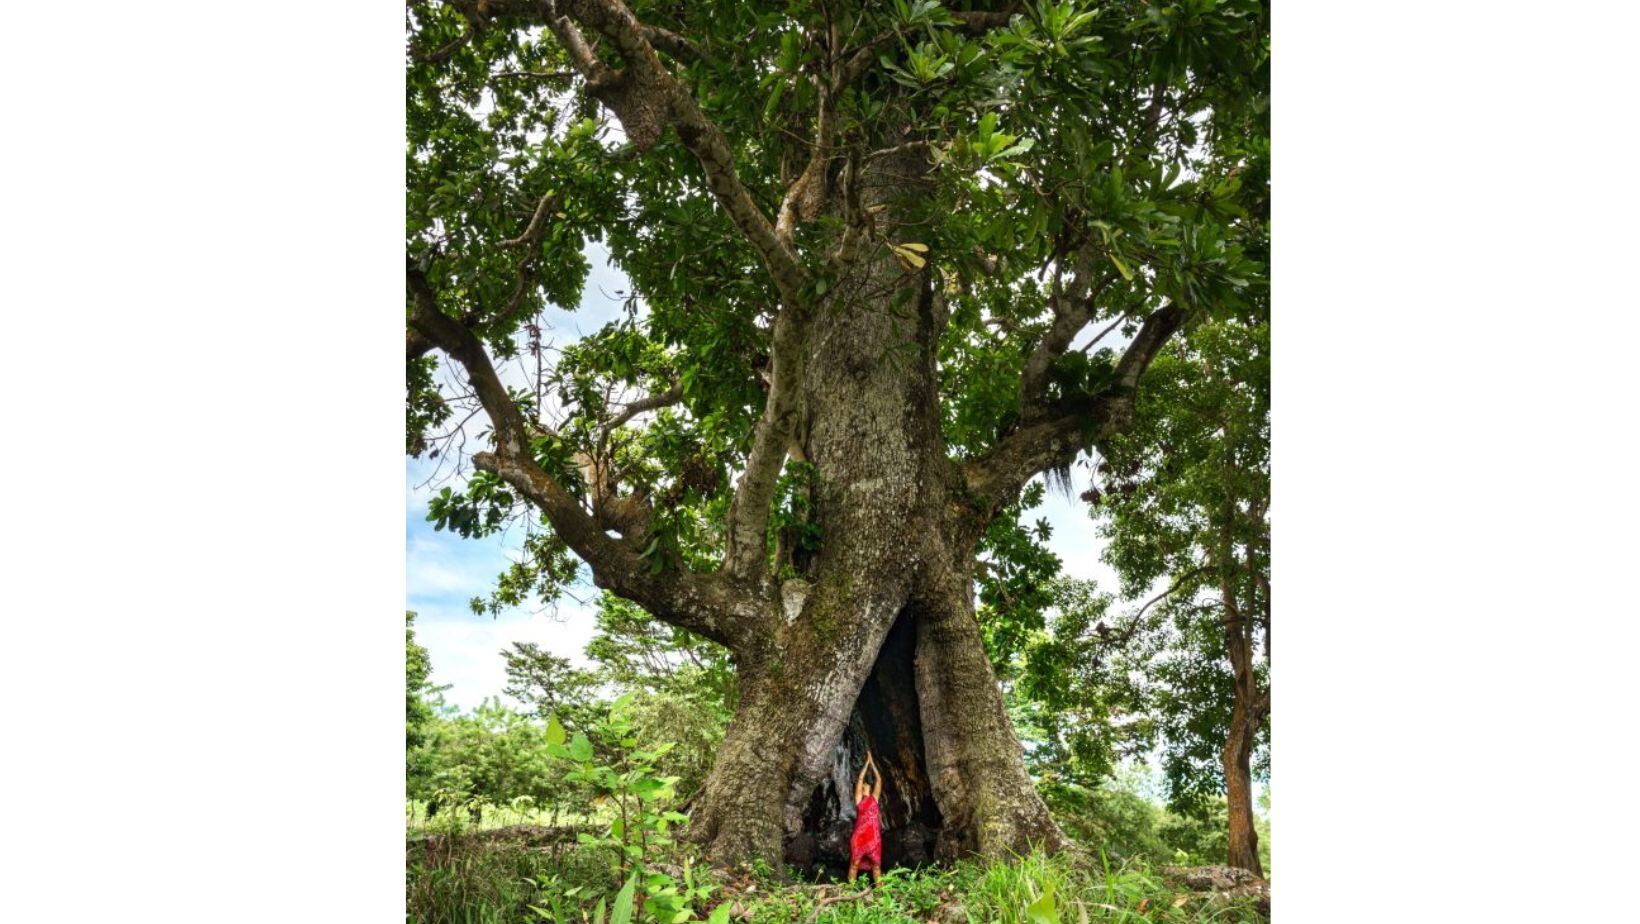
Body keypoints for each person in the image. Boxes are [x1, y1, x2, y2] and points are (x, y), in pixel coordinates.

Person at [848, 750, 884, 885]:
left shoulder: (874, 798)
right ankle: (850, 890)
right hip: (860, 836)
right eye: (863, 785)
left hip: (873, 837)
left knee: (876, 865)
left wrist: (872, 762)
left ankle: (880, 892)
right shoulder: (859, 800)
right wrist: (866, 764)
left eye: (866, 785)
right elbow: (860, 779)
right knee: (854, 864)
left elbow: (879, 779)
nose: (864, 785)